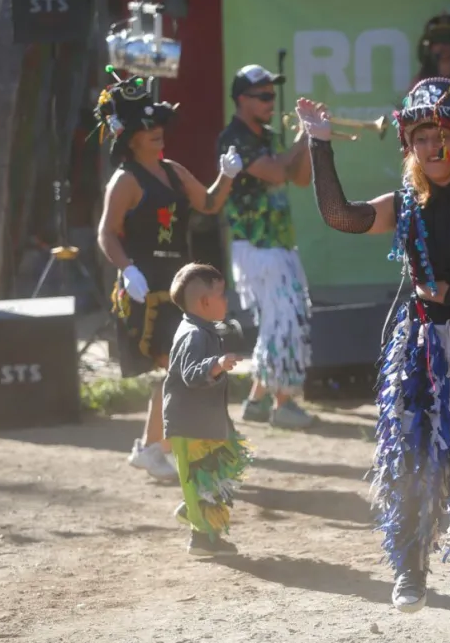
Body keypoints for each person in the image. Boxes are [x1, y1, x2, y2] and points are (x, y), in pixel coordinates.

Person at [296, 55, 450, 632]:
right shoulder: (408, 200)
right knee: (415, 456)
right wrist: (320, 143)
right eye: (418, 138)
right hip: (427, 343)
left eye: (440, 137)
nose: (430, 148)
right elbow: (341, 215)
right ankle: (410, 567)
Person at [95, 69, 244, 481]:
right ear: (130, 137)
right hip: (147, 290)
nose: (159, 132)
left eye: (159, 124)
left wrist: (227, 176)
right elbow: (105, 232)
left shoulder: (175, 170)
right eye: (148, 127)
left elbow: (210, 203)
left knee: (178, 370)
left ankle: (152, 448)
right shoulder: (124, 181)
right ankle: (197, 452)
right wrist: (127, 269)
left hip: (180, 288)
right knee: (180, 368)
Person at [217, 64, 317, 429]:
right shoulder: (234, 139)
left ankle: (258, 401)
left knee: (281, 321)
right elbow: (275, 172)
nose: (270, 102)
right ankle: (283, 403)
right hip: (256, 246)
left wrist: (311, 141)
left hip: (279, 243)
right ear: (242, 99)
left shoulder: (272, 136)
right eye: (263, 97)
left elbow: (301, 179)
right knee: (283, 321)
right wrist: (304, 138)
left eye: (272, 96)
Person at [164, 262, 251, 557]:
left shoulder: (203, 329)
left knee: (221, 468)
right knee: (203, 478)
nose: (227, 301)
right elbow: (190, 373)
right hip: (190, 425)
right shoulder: (194, 335)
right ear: (204, 302)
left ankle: (194, 512)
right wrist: (216, 364)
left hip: (204, 421)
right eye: (222, 295)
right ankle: (202, 540)